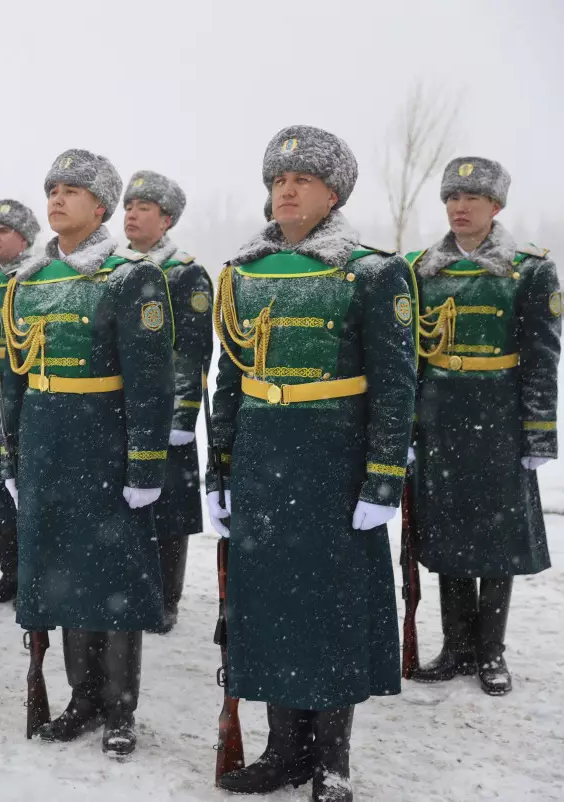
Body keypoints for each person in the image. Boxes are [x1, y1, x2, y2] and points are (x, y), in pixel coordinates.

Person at [208, 126, 415, 801]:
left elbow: (396, 383)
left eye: (301, 180)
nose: (286, 190)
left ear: (333, 194)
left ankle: (332, 761)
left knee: (329, 612)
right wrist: (220, 471)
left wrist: (384, 475)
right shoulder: (243, 273)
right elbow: (230, 382)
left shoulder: (373, 272)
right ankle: (282, 752)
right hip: (265, 465)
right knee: (268, 610)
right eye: (277, 180)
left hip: (334, 465)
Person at [1, 150, 172, 757]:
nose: (57, 198)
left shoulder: (130, 277)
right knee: (64, 575)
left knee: (114, 578)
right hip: (47, 443)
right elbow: (13, 378)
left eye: (73, 190)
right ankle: (81, 697)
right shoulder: (28, 282)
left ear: (100, 206)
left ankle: (119, 709)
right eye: (52, 188)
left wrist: (146, 461)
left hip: (105, 444)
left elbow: (151, 380)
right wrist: (12, 454)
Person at [407, 157, 558, 696]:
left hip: (498, 420)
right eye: (452, 198)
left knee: (496, 539)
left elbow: (543, 355)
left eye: (472, 198)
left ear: (496, 206)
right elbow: (409, 360)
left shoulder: (531, 269)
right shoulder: (421, 268)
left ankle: (490, 650)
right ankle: (455, 647)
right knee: (447, 534)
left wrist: (538, 431)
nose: (460, 207)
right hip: (441, 419)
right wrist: (405, 429)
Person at [123, 170, 212, 633]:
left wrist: (182, 415)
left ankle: (166, 597)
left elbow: (194, 350)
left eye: (143, 208)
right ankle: (132, 590)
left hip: (165, 408)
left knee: (169, 508)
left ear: (167, 219)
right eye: (128, 207)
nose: (132, 215)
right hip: (122, 407)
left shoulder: (185, 273)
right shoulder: (114, 267)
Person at [0, 198, 40, 604]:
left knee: (21, 487)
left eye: (5, 230)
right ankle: (9, 571)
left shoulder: (34, 278)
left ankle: (29, 573)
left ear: (24, 238)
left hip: (21, 395)